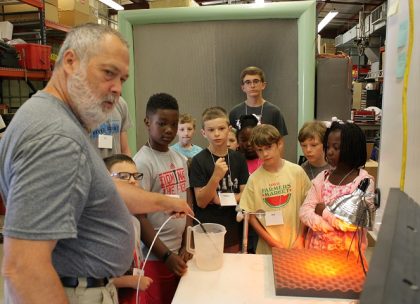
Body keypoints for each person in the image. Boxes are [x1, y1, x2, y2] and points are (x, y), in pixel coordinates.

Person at [0, 23, 192, 304]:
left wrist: (163, 202)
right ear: (70, 62)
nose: (117, 89)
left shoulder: (49, 115)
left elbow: (98, 188)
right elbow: (25, 270)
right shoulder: (57, 138)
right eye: (108, 73)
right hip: (73, 291)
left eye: (122, 79)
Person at [133, 93, 193, 304]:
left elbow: (187, 202)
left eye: (174, 124)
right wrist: (166, 255)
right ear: (148, 122)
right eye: (162, 123)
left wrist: (187, 243)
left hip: (178, 253)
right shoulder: (141, 162)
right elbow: (139, 217)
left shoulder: (179, 158)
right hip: (154, 257)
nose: (169, 130)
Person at [299, 121, 376, 259]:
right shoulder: (322, 178)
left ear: (352, 148)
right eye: (328, 147)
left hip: (348, 258)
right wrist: (327, 226)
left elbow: (354, 222)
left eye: (336, 147)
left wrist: (323, 211)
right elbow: (305, 211)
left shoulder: (364, 182)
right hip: (315, 254)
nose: (329, 151)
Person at [239, 124, 311, 254]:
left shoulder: (296, 172)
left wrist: (300, 237)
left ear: (280, 144)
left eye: (268, 147)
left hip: (296, 244)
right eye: (259, 150)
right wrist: (272, 242)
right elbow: (250, 216)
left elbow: (307, 206)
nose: (265, 154)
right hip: (267, 248)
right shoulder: (254, 179)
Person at [190, 106, 249, 253]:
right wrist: (216, 177)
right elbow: (201, 202)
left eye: (221, 128)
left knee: (231, 270)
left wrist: (218, 200)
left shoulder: (238, 158)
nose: (217, 134)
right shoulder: (198, 161)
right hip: (207, 230)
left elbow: (245, 193)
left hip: (232, 229)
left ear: (229, 129)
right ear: (203, 133)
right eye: (211, 130)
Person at [104, 154, 153, 304]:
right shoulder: (103, 225)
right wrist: (130, 281)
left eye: (135, 176)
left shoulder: (134, 221)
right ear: (104, 179)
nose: (132, 181)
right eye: (123, 176)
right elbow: (94, 280)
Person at [229, 66, 288, 136]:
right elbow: (231, 139)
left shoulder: (274, 112)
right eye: (248, 82)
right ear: (243, 87)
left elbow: (280, 142)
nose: (252, 85)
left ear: (263, 85)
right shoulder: (235, 112)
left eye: (256, 81)